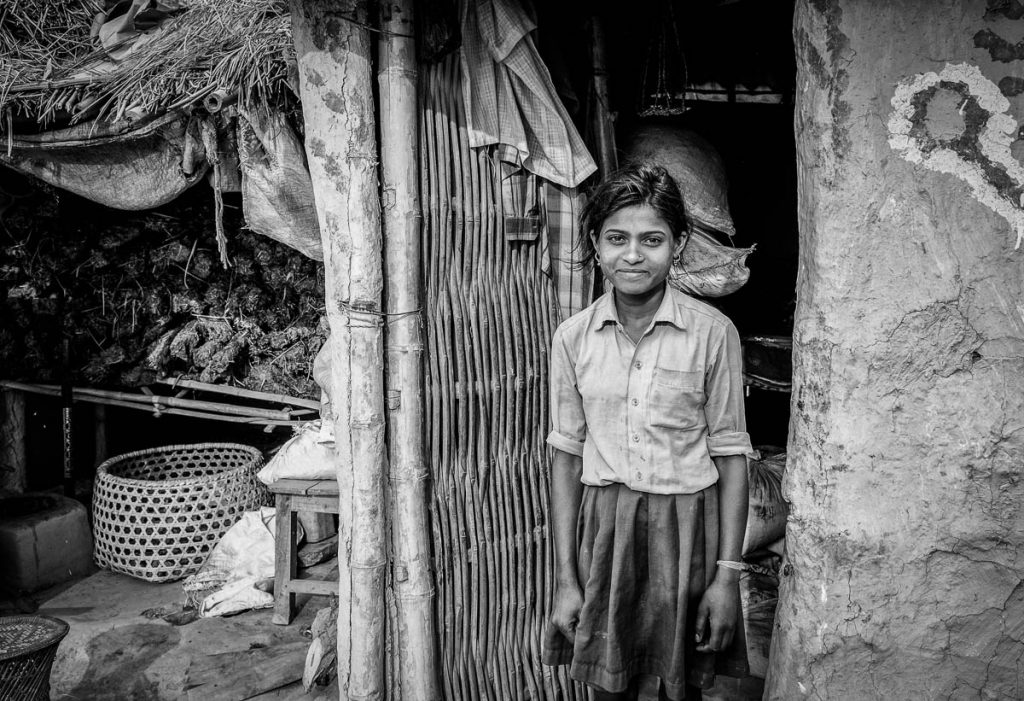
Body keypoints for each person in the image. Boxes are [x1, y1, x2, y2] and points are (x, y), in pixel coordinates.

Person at [542, 163, 752, 701]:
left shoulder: (712, 334)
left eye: (652, 239)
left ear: (677, 246)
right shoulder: (573, 339)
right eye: (617, 238)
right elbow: (566, 458)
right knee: (608, 683)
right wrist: (566, 578)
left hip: (688, 526)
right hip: (605, 526)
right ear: (595, 244)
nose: (633, 254)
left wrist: (727, 578)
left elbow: (731, 456)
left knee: (680, 683)